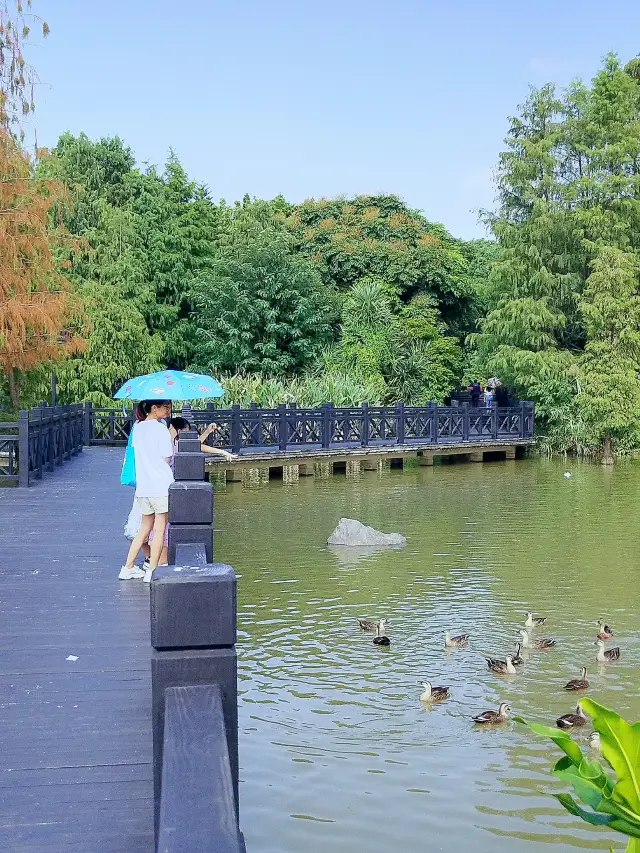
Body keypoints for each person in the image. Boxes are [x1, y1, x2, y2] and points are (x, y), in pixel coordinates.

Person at [119, 399, 173, 583]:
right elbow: (167, 457)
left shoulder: (138, 428)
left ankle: (128, 567)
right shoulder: (161, 429)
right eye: (165, 407)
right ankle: (151, 570)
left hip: (144, 487)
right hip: (160, 485)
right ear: (154, 408)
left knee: (143, 530)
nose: (168, 411)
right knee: (159, 530)